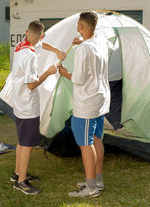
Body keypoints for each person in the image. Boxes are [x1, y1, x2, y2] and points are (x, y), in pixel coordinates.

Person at [59, 11, 112, 198]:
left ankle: (91, 188)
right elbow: (94, 52)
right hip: (100, 99)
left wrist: (64, 72)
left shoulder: (84, 48)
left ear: (81, 26)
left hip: (87, 103)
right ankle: (98, 180)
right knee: (97, 139)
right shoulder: (101, 41)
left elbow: (79, 79)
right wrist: (81, 43)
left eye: (78, 24)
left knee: (85, 144)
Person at [11, 20, 65, 195]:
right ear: (40, 35)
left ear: (27, 32)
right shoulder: (31, 55)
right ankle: (21, 182)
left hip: (19, 102)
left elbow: (42, 44)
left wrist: (56, 51)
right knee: (27, 145)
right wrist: (49, 72)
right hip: (28, 105)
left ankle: (18, 173)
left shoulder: (21, 46)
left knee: (21, 141)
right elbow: (32, 84)